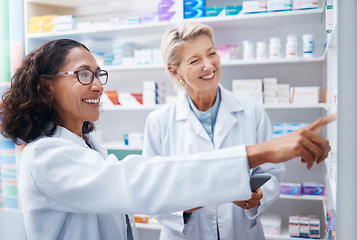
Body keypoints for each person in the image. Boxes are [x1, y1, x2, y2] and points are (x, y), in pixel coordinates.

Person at [0, 39, 335, 240]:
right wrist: (262, 151)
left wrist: (192, 194)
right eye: (83, 74)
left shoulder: (88, 147)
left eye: (99, 74)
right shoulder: (46, 157)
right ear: (45, 86)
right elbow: (137, 181)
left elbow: (150, 176)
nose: (99, 85)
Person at [142, 21, 284, 240]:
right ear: (174, 70)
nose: (208, 65)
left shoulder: (252, 111)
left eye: (211, 53)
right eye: (195, 60)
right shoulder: (159, 122)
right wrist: (182, 208)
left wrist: (259, 195)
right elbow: (150, 188)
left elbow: (272, 171)